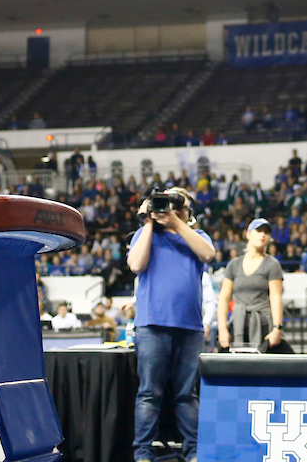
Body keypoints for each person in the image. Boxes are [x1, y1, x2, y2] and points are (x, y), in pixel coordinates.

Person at [126, 187, 215, 462]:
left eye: (181, 206)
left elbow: (208, 254)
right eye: (168, 205)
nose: (173, 209)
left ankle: (194, 451)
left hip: (190, 327)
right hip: (152, 324)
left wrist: (176, 221)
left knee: (186, 394)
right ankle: (142, 452)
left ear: (190, 213)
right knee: (149, 394)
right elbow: (136, 265)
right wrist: (149, 222)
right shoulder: (147, 235)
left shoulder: (197, 236)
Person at [217, 218, 285, 351]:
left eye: (266, 232)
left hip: (263, 323)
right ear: (247, 234)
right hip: (238, 323)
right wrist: (222, 328)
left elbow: (276, 298)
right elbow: (224, 299)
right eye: (259, 231)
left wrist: (277, 328)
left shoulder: (272, 264)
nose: (262, 235)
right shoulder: (234, 265)